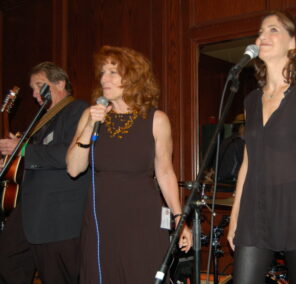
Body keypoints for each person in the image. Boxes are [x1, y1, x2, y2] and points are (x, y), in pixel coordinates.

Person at [226, 11, 296, 284]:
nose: (262, 36)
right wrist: (235, 218)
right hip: (256, 209)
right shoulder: (251, 100)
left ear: (293, 43)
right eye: (261, 31)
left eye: (273, 30)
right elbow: (247, 163)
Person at [66, 45, 192, 283]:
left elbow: (165, 172)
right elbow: (73, 169)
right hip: (101, 217)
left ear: (133, 77)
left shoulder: (157, 120)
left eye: (113, 72)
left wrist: (179, 218)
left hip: (142, 217)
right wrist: (88, 129)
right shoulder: (90, 115)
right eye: (102, 73)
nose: (104, 78)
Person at [0, 62, 89, 283]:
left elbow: (65, 155)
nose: (34, 94)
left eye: (40, 86)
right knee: (7, 262)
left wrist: (22, 148)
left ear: (60, 83)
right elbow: (33, 161)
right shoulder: (43, 120)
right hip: (30, 212)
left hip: (57, 218)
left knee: (57, 277)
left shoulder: (78, 110)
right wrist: (11, 161)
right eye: (32, 89)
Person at [217, 113, 245, 186]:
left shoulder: (225, 141)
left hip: (221, 182)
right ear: (242, 126)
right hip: (232, 182)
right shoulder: (239, 143)